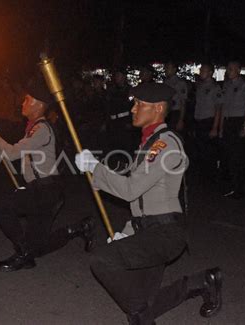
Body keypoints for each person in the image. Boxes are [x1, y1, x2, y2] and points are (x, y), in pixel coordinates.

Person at [75, 83, 222, 325]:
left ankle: (142, 318)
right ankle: (202, 282)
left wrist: (95, 168)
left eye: (139, 104)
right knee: (143, 304)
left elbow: (131, 190)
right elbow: (142, 202)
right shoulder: (148, 144)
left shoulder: (165, 144)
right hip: (149, 231)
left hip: (165, 234)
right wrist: (127, 232)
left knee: (103, 261)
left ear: (158, 108)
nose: (133, 109)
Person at [0, 82, 94, 272]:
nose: (23, 102)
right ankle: (79, 228)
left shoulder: (42, 130)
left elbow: (13, 153)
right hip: (45, 190)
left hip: (46, 190)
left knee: (3, 208)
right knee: (38, 248)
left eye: (28, 99)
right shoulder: (33, 127)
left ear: (39, 105)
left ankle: (23, 254)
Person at [219, 61, 245, 198]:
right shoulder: (226, 86)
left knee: (237, 157)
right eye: (228, 69)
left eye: (232, 69)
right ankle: (232, 186)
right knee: (228, 156)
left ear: (239, 70)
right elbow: (223, 108)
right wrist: (221, 127)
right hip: (227, 122)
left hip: (238, 121)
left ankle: (239, 188)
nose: (229, 71)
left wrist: (244, 126)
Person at [193, 63, 222, 176]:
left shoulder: (215, 87)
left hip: (209, 121)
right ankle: (203, 175)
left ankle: (211, 175)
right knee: (200, 150)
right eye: (200, 70)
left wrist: (215, 127)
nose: (201, 72)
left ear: (210, 72)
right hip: (199, 121)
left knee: (209, 151)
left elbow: (218, 108)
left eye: (203, 70)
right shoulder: (200, 87)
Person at [105, 68, 137, 171]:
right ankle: (119, 165)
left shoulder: (130, 90)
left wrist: (129, 121)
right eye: (116, 76)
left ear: (124, 77)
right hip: (114, 122)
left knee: (126, 145)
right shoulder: (112, 90)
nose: (117, 78)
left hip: (125, 121)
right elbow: (108, 107)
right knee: (116, 145)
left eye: (119, 75)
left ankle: (129, 166)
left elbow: (132, 106)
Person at [164, 62, 188, 131]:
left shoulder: (179, 83)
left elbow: (183, 102)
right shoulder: (166, 82)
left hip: (175, 113)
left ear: (174, 69)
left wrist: (181, 120)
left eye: (168, 68)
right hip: (167, 113)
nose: (165, 70)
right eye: (165, 68)